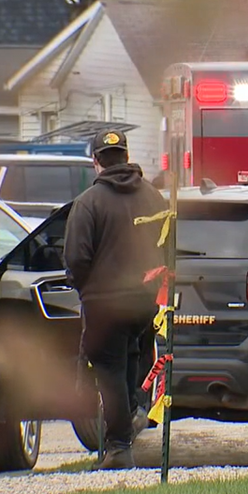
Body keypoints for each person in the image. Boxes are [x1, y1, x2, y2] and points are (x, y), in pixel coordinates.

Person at [64, 130, 167, 470]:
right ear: (126, 156)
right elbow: (168, 247)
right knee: (132, 357)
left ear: (96, 162)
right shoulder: (154, 198)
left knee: (108, 371)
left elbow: (77, 258)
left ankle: (120, 447)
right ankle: (135, 413)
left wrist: (86, 290)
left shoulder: (88, 203)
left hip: (105, 304)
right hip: (144, 300)